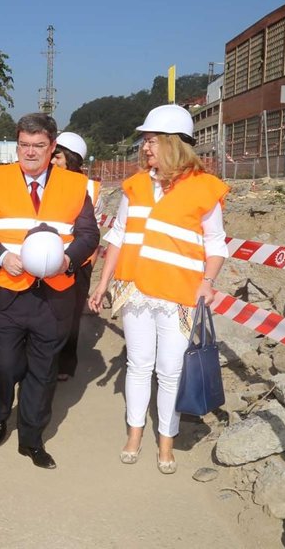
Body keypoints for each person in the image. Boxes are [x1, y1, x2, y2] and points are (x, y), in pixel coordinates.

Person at [88, 104, 229, 475]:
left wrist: (208, 282)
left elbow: (216, 242)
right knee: (138, 365)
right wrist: (103, 283)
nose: (145, 147)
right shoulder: (135, 186)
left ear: (173, 143)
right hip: (135, 290)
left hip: (179, 295)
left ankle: (166, 439)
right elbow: (118, 236)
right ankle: (134, 434)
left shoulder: (204, 188)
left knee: (169, 370)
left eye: (151, 140)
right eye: (145, 141)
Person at [0, 113, 99, 469]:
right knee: (3, 366)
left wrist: (68, 261)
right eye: (24, 145)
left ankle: (31, 439)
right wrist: (1, 256)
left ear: (52, 147)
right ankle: (0, 411)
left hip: (53, 296)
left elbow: (89, 234)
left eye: (39, 146)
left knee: (43, 371)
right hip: (6, 292)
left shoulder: (75, 185)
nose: (30, 152)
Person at [50, 132, 102, 381]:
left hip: (79, 262)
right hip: (50, 259)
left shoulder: (91, 188)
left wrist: (88, 263)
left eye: (57, 157)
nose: (52, 161)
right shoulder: (47, 181)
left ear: (70, 159)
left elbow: (94, 232)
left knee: (71, 317)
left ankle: (65, 364)